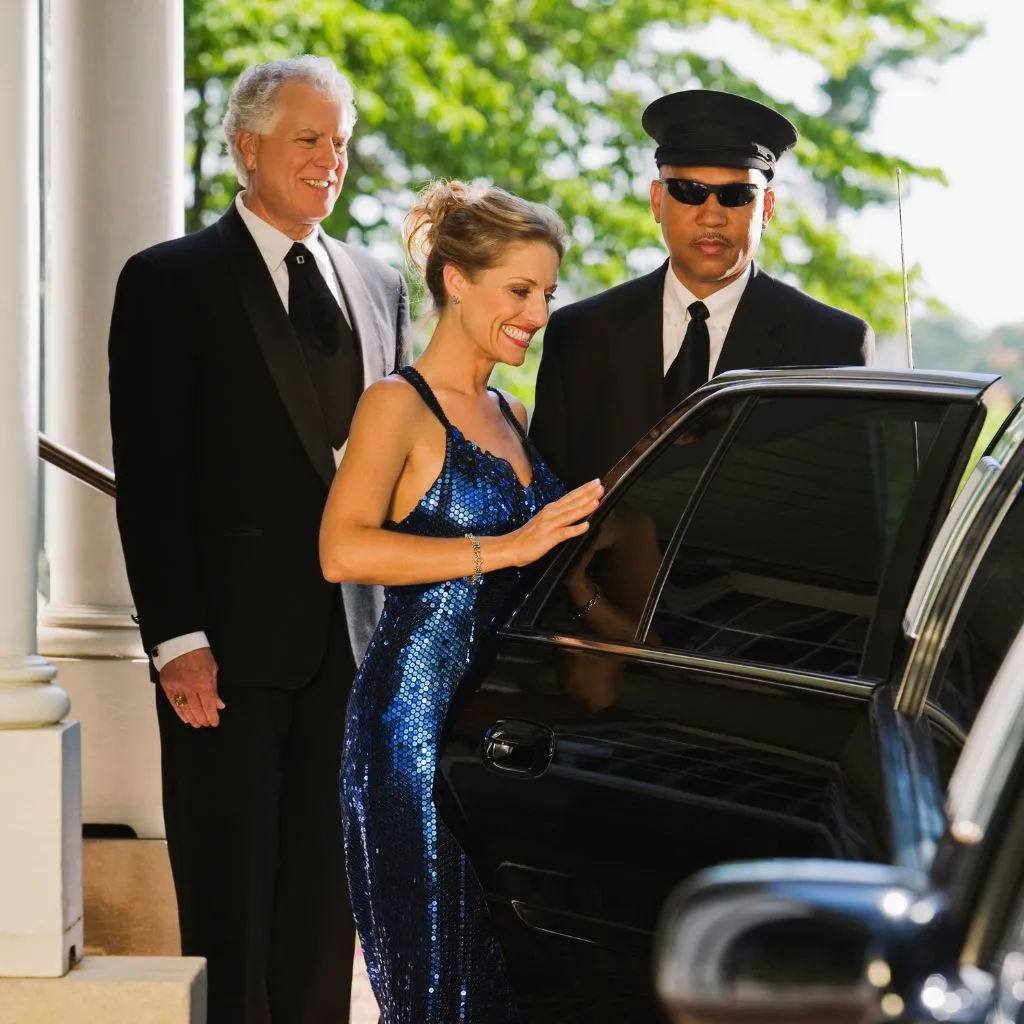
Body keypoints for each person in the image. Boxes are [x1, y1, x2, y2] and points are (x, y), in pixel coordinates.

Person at [108, 56, 409, 1024]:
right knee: (230, 899)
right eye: (307, 138)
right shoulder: (169, 280)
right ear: (247, 146)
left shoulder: (379, 283)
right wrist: (177, 636)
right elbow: (151, 475)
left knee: (329, 904)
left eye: (341, 140)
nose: (331, 159)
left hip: (353, 644)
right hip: (225, 651)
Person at [319, 180, 603, 1023]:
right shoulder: (395, 405)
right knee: (437, 984)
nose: (538, 313)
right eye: (520, 290)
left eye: (548, 294)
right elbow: (342, 549)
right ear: (455, 281)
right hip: (410, 730)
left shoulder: (514, 413)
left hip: (501, 738)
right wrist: (508, 547)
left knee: (507, 982)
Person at [530, 88, 875, 488]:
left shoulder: (830, 347)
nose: (711, 216)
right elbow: (548, 506)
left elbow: (851, 522)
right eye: (689, 192)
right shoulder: (581, 334)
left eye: (736, 195)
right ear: (657, 200)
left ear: (765, 209)